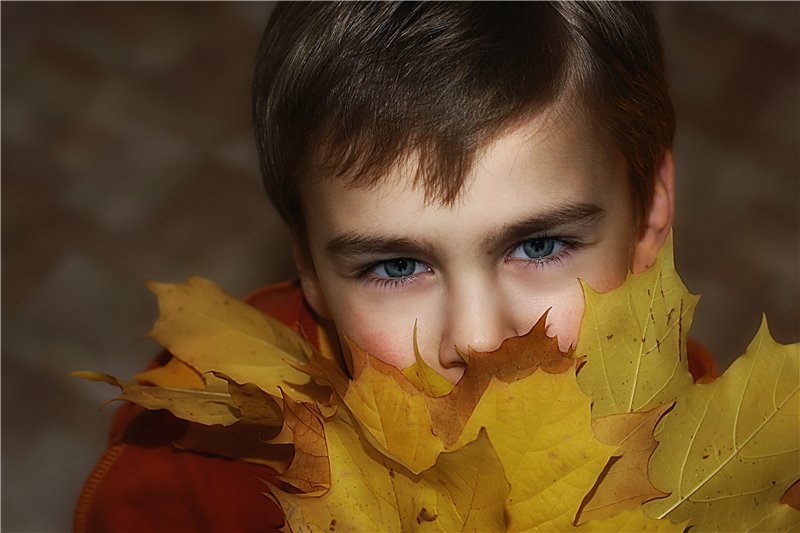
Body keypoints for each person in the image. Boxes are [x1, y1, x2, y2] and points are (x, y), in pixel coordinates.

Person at [74, 3, 717, 532]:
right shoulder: (188, 470)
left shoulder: (721, 458)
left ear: (651, 210)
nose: (477, 339)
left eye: (540, 247)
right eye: (399, 264)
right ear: (308, 262)